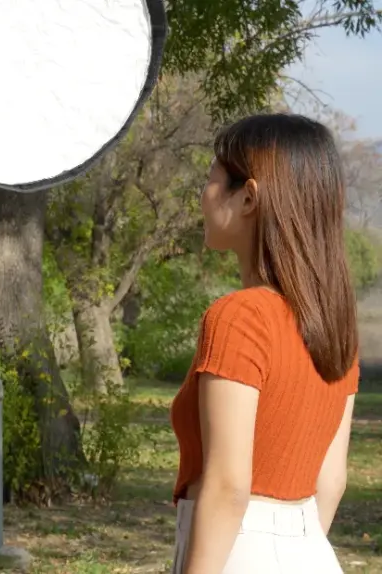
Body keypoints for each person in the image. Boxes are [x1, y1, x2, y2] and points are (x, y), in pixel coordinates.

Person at [169, 112, 360, 573]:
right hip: (310, 550)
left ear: (249, 196)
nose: (203, 195)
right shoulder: (336, 327)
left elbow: (228, 484)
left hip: (236, 553)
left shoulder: (240, 317)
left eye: (212, 180)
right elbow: (330, 481)